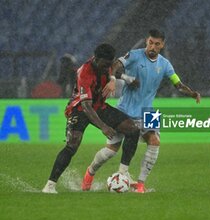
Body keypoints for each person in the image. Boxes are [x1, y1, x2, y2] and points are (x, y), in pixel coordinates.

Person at [81, 29, 201, 193]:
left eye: (157, 44)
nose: (152, 46)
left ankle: (141, 185)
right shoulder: (135, 55)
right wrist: (115, 79)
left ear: (162, 45)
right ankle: (90, 172)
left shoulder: (165, 64)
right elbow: (116, 65)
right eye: (150, 42)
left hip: (148, 111)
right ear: (146, 41)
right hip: (125, 109)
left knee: (155, 142)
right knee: (111, 151)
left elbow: (177, 84)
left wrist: (192, 93)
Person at [42, 43, 140, 194]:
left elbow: (113, 71)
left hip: (99, 106)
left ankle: (123, 172)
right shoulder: (84, 72)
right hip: (79, 109)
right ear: (96, 59)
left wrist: (126, 78)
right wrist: (103, 126)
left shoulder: (105, 64)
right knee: (72, 145)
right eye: (105, 64)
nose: (107, 67)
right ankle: (49, 185)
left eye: (109, 64)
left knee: (132, 129)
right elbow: (86, 106)